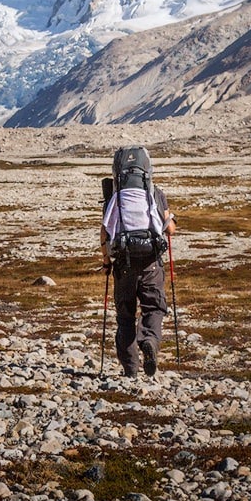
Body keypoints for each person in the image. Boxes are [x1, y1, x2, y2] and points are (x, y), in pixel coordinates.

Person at [100, 146, 175, 377]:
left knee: (125, 317)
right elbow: (169, 228)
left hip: (123, 264)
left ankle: (130, 371)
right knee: (153, 307)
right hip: (151, 263)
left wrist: (106, 262)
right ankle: (150, 342)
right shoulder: (154, 192)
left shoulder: (114, 194)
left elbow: (105, 233)